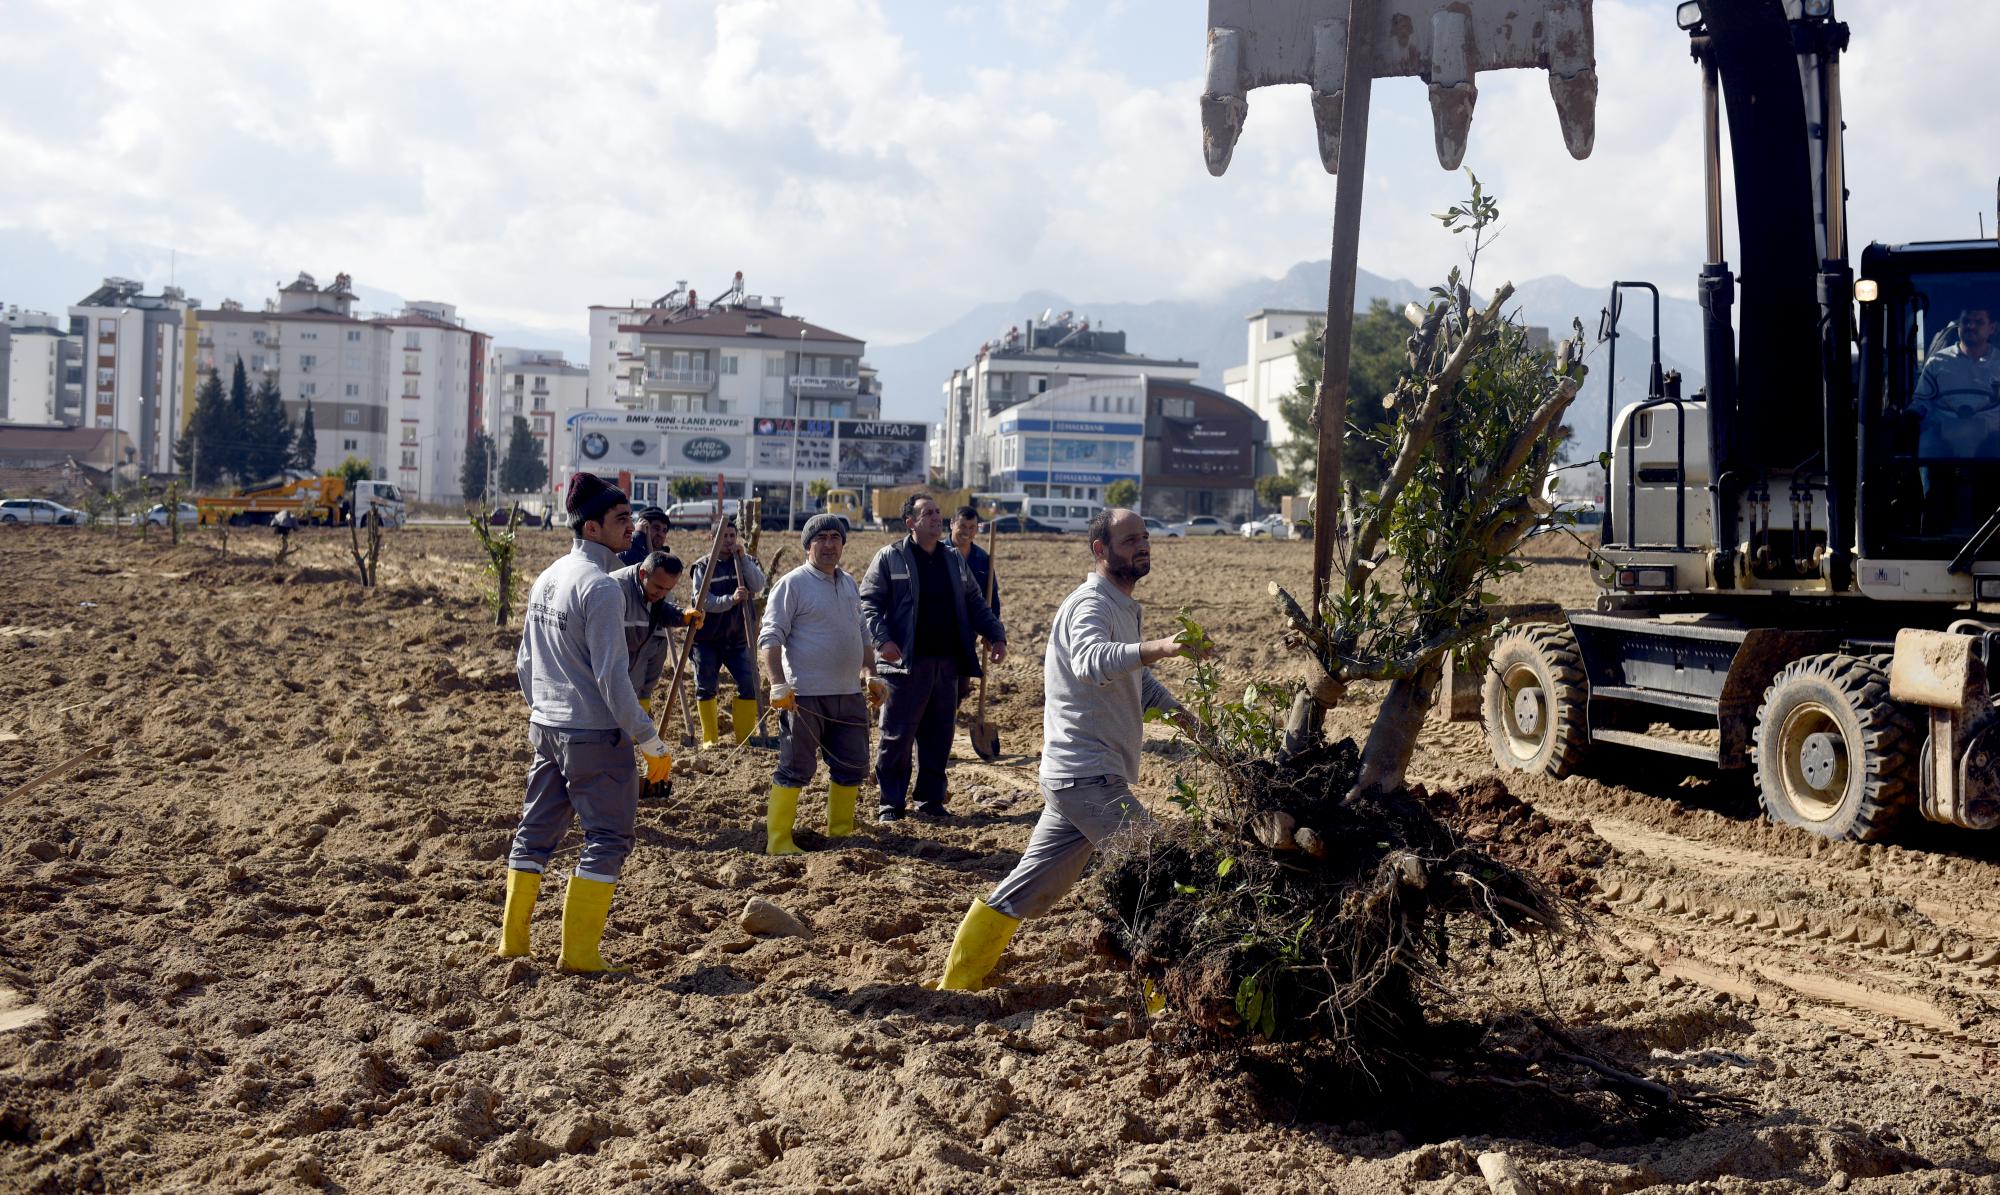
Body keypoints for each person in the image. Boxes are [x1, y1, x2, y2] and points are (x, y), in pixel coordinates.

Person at [936, 508, 1204, 991]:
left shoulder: (1122, 605)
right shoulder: (1090, 605)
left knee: (1032, 886)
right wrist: (1159, 646)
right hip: (1088, 777)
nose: (1142, 546)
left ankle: (957, 981)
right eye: (1129, 540)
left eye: (1144, 537)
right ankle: (1161, 994)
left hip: (1079, 777)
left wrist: (1195, 727)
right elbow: (1090, 662)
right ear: (1100, 550)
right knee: (1158, 872)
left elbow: (1138, 685)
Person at [498, 472, 676, 973]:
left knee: (532, 836)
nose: (631, 529)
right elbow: (613, 680)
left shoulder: (549, 575)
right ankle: (577, 954)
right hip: (594, 735)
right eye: (622, 520)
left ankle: (513, 944)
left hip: (547, 727)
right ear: (593, 527)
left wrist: (545, 708)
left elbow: (523, 662)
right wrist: (650, 740)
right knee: (608, 839)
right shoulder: (602, 589)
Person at [859, 495, 1007, 823]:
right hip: (905, 664)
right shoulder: (890, 558)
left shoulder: (954, 560)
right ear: (910, 522)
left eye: (938, 512)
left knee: (939, 736)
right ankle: (891, 803)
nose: (936, 517)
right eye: (928, 513)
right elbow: (868, 603)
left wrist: (996, 634)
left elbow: (975, 603)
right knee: (897, 736)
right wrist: (882, 640)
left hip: (947, 664)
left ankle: (929, 799)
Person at [757, 514, 885, 855]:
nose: (829, 544)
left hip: (848, 694)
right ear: (808, 545)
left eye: (835, 537)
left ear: (843, 543)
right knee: (795, 767)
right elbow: (770, 637)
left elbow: (862, 633)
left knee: (852, 765)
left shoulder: (848, 583)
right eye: (821, 538)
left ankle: (840, 833)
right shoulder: (792, 584)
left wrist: (870, 673)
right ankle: (779, 841)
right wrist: (778, 684)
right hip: (804, 697)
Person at [687, 518, 769, 748]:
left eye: (732, 536)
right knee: (706, 687)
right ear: (712, 539)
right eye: (723, 536)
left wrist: (743, 559)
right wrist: (730, 600)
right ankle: (710, 739)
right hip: (707, 639)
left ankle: (744, 738)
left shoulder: (745, 561)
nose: (729, 541)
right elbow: (702, 601)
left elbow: (758, 584)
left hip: (738, 638)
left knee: (750, 684)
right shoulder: (703, 566)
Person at [609, 550, 698, 719]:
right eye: (658, 587)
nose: (662, 594)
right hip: (609, 667)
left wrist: (682, 616)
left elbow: (659, 610)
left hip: (633, 659)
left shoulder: (652, 592)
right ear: (643, 573)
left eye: (668, 589)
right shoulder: (615, 587)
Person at [950, 503, 1000, 704]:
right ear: (952, 524)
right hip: (939, 629)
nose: (967, 532)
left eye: (972, 528)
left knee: (962, 684)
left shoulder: (982, 559)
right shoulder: (937, 552)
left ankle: (952, 715)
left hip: (968, 630)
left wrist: (992, 633)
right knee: (939, 682)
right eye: (962, 526)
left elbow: (992, 597)